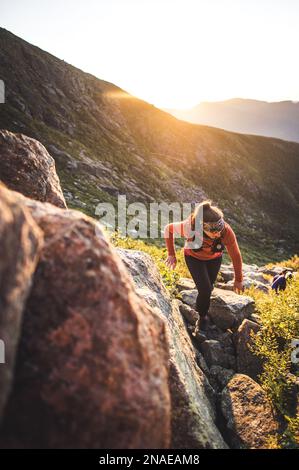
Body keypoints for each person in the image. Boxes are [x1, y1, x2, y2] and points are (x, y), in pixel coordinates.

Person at [164, 200, 244, 331]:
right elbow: (168, 229)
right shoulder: (189, 227)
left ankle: (202, 303)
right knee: (205, 290)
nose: (218, 233)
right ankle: (202, 317)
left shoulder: (226, 231)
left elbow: (235, 255)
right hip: (193, 258)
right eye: (214, 232)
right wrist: (171, 254)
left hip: (214, 259)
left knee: (209, 287)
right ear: (202, 228)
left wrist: (239, 279)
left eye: (220, 229)